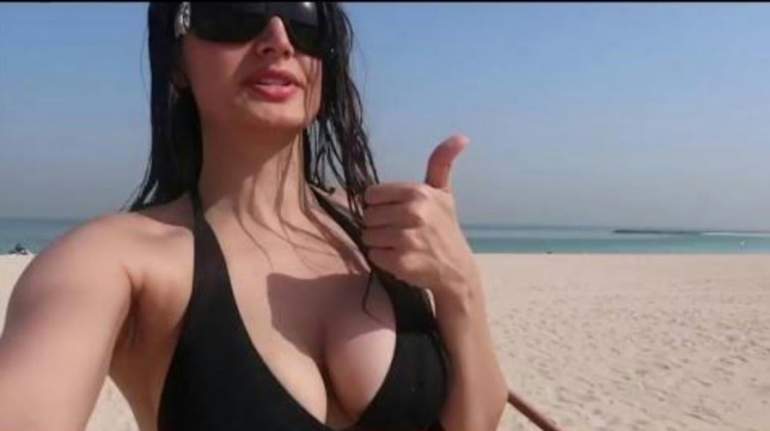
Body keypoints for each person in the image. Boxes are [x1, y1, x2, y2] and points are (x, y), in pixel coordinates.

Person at [0, 3, 509, 431]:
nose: (278, 40)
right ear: (177, 59)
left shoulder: (382, 224)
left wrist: (459, 286)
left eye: (304, 19)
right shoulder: (115, 261)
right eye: (234, 13)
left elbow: (473, 422)